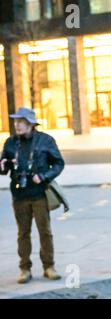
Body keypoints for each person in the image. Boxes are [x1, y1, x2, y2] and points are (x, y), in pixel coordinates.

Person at [0, 107, 65, 284]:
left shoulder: (45, 141)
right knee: (23, 233)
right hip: (19, 195)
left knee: (45, 232)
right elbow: (3, 168)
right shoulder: (11, 143)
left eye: (21, 122)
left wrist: (43, 176)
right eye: (16, 122)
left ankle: (49, 266)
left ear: (30, 124)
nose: (17, 125)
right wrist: (3, 165)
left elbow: (59, 163)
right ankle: (25, 268)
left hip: (40, 194)